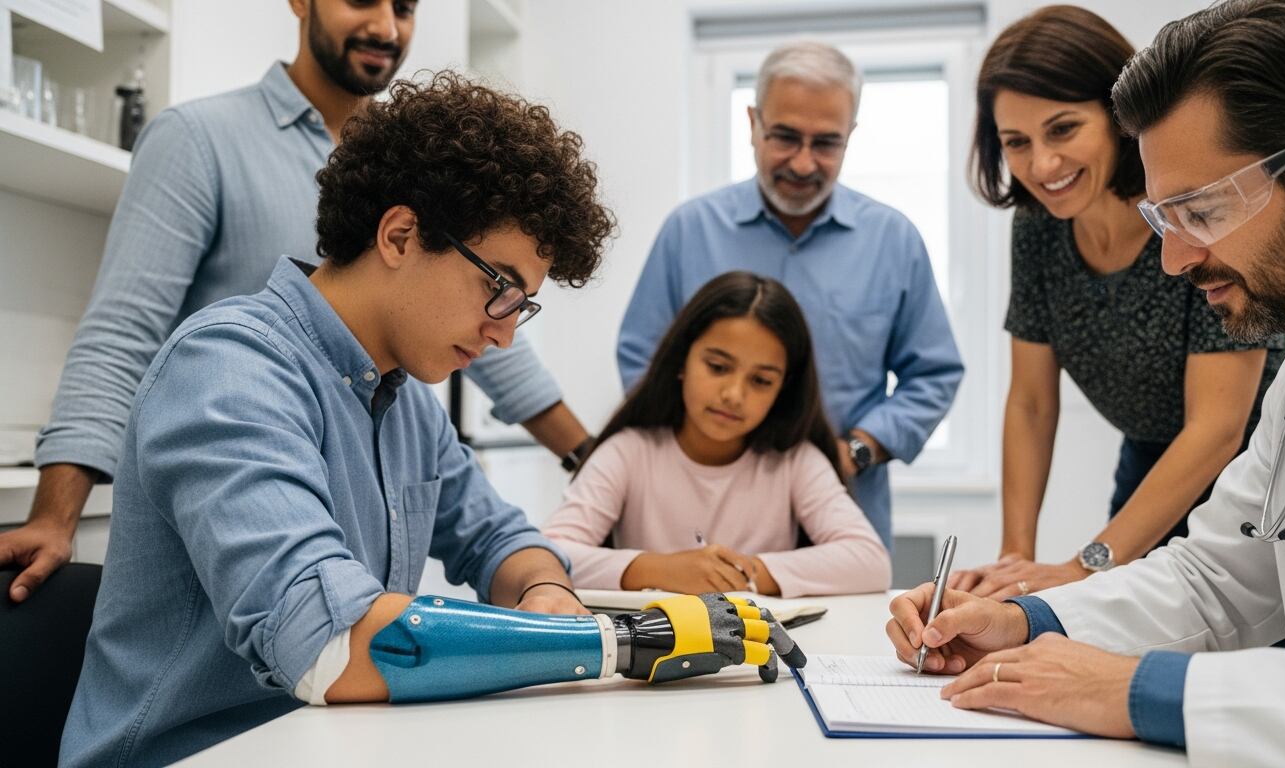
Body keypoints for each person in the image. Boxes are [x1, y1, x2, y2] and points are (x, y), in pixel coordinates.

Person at [58, 74, 804, 768]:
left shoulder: (405, 398)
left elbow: (499, 539)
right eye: (500, 289)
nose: (505, 333)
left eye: (523, 305)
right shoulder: (228, 371)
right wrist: (614, 641)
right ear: (399, 236)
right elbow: (330, 645)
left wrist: (546, 592)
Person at [886, 0, 1285, 762]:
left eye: (1201, 210)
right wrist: (1029, 620)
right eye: (1167, 220)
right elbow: (1216, 576)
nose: (1174, 262)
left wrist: (1138, 691)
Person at [0, 0, 596, 605]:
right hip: (232, 480)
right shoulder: (202, 144)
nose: (387, 27)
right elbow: (121, 332)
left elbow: (487, 329)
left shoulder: (433, 184)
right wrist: (56, 515)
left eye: (406, 7)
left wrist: (589, 459)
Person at [948, 5, 1285, 600]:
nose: (1042, 165)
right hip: (1150, 464)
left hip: (1259, 468)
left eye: (1062, 129)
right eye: (1016, 143)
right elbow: (1030, 403)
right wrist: (1014, 562)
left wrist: (1084, 567)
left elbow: (1216, 428)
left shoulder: (1185, 213)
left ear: (1115, 117)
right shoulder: (1038, 226)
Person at [616, 41, 964, 549]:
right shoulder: (690, 231)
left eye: (826, 143)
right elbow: (643, 359)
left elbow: (934, 374)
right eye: (784, 137)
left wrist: (857, 451)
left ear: (851, 138)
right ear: (753, 123)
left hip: (842, 514)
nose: (803, 163)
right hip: (699, 517)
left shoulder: (894, 240)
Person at [544, 272, 891, 597]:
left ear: (783, 390)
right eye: (718, 367)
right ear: (682, 360)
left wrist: (743, 572)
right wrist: (661, 570)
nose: (734, 395)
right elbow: (547, 556)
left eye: (761, 381)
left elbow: (871, 561)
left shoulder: (796, 460)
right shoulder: (629, 452)